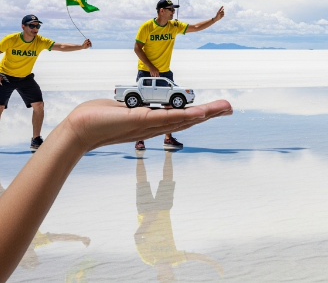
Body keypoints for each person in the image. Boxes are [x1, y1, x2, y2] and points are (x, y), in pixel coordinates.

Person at [0, 98, 232, 281]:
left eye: (166, 278)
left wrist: (74, 134)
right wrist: (214, 264)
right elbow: (191, 255)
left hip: (152, 214)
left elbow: (139, 237)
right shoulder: (170, 259)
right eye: (171, 277)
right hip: (156, 214)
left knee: (158, 181)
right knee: (151, 181)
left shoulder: (151, 259)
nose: (169, 275)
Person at [134, 0, 224, 151]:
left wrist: (214, 19)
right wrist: (150, 67)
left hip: (165, 72)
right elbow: (137, 48)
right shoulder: (147, 27)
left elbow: (195, 27)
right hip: (146, 72)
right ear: (161, 11)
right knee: (143, 107)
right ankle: (139, 139)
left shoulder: (174, 26)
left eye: (174, 9)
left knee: (170, 106)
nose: (173, 12)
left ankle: (168, 138)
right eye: (170, 9)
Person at [0, 14, 92, 151]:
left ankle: (36, 139)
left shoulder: (40, 41)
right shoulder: (11, 39)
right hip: (5, 76)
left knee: (38, 104)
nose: (35, 28)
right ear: (23, 26)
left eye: (37, 25)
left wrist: (81, 47)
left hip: (25, 78)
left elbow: (60, 46)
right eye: (32, 25)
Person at [135, 150, 223, 281]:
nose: (170, 270)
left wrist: (147, 221)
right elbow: (196, 256)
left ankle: (139, 154)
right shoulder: (175, 259)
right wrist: (214, 264)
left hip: (145, 212)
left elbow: (137, 237)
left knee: (142, 182)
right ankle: (168, 153)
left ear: (160, 276)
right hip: (163, 210)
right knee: (167, 181)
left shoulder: (148, 259)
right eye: (172, 274)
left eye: (168, 275)